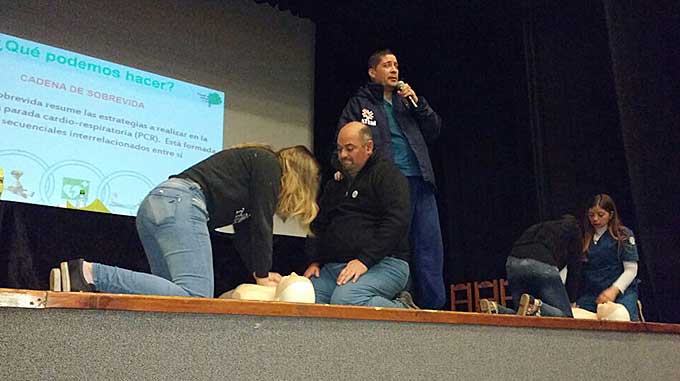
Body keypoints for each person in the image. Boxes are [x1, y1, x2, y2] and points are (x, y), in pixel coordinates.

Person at [49, 144, 320, 297]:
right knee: (197, 297)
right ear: (300, 177)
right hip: (181, 204)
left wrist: (257, 271)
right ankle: (90, 274)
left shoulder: (254, 173)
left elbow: (245, 233)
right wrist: (262, 275)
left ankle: (86, 275)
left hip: (157, 205)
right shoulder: (269, 165)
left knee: (172, 302)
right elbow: (263, 224)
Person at [336, 49, 445, 309]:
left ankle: (435, 308)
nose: (394, 70)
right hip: (387, 184)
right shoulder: (360, 103)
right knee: (397, 246)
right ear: (373, 72)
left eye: (396, 65)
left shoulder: (408, 102)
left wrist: (420, 105)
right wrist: (342, 168)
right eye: (387, 65)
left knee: (429, 245)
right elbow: (341, 142)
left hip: (420, 180)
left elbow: (434, 131)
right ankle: (400, 302)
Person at [303, 122, 417, 309]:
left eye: (350, 148)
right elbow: (318, 224)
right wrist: (314, 259)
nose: (343, 155)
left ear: (369, 147)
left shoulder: (387, 175)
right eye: (340, 149)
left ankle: (405, 310)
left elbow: (396, 221)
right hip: (335, 268)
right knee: (305, 298)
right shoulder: (335, 184)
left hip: (384, 263)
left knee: (346, 300)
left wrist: (365, 260)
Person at [480, 215, 584, 317]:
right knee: (566, 317)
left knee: (523, 315)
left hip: (513, 262)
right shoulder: (575, 232)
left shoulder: (541, 227)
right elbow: (574, 268)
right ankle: (535, 306)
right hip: (541, 262)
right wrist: (571, 300)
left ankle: (498, 310)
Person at [576, 193, 640, 320]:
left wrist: (614, 290)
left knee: (618, 317)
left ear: (610, 215)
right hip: (593, 296)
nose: (595, 219)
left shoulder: (622, 235)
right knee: (572, 317)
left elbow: (631, 270)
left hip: (621, 294)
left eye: (600, 215)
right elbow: (571, 268)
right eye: (591, 215)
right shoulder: (584, 239)